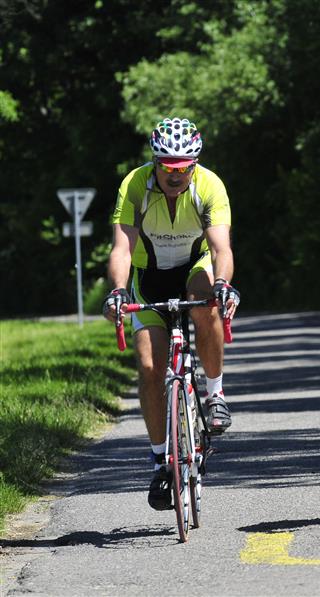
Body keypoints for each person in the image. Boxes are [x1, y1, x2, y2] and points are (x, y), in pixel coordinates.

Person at [102, 117, 241, 510]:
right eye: (168, 167)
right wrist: (117, 292)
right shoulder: (134, 185)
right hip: (149, 276)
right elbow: (122, 249)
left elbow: (221, 249)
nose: (176, 174)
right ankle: (161, 460)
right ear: (155, 163)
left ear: (194, 164)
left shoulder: (209, 185)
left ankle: (215, 393)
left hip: (195, 267)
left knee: (206, 302)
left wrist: (223, 284)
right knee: (149, 367)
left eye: (183, 167)